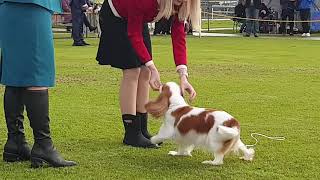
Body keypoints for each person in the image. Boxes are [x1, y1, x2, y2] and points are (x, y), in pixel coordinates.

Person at [96, 0, 199, 148]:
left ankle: (142, 129)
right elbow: (133, 34)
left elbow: (178, 37)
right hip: (115, 16)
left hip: (137, 17)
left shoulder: (182, 4)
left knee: (144, 72)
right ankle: (132, 132)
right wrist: (152, 67)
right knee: (132, 70)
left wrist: (183, 75)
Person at [0, 0, 76, 168]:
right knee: (38, 71)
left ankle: (15, 142)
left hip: (8, 7)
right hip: (33, 6)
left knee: (15, 74)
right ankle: (43, 145)